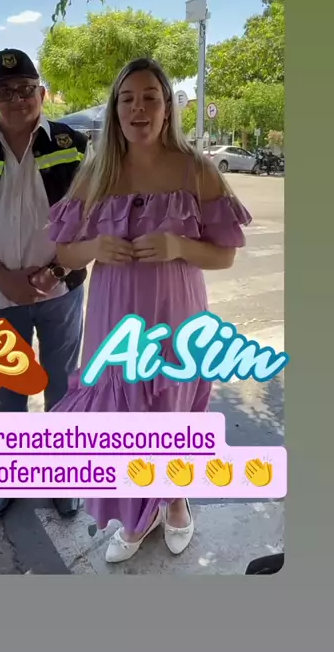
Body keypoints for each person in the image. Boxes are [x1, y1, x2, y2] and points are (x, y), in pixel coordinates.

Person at [48, 57, 252, 563]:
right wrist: (95, 246)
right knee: (121, 419)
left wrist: (179, 246)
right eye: (127, 99)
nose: (138, 108)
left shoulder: (196, 169)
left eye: (150, 98)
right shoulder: (96, 173)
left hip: (175, 313)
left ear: (167, 109)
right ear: (115, 109)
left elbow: (225, 255)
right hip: (113, 318)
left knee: (172, 410)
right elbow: (64, 254)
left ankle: (175, 499)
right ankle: (138, 514)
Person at [0, 48, 88, 518]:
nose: (17, 99)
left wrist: (56, 271)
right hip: (0, 295)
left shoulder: (73, 144)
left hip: (62, 291)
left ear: (41, 93)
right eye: (5, 92)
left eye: (26, 89)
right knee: (7, 389)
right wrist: (3, 278)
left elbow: (91, 217)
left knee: (62, 384)